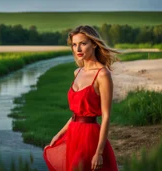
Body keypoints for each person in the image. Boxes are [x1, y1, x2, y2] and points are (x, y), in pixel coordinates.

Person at [43, 25, 119, 171]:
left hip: (90, 137)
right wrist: (58, 135)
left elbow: (106, 116)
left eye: (83, 44)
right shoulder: (77, 72)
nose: (78, 49)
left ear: (94, 44)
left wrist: (99, 152)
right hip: (73, 135)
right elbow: (77, 114)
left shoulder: (102, 74)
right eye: (74, 45)